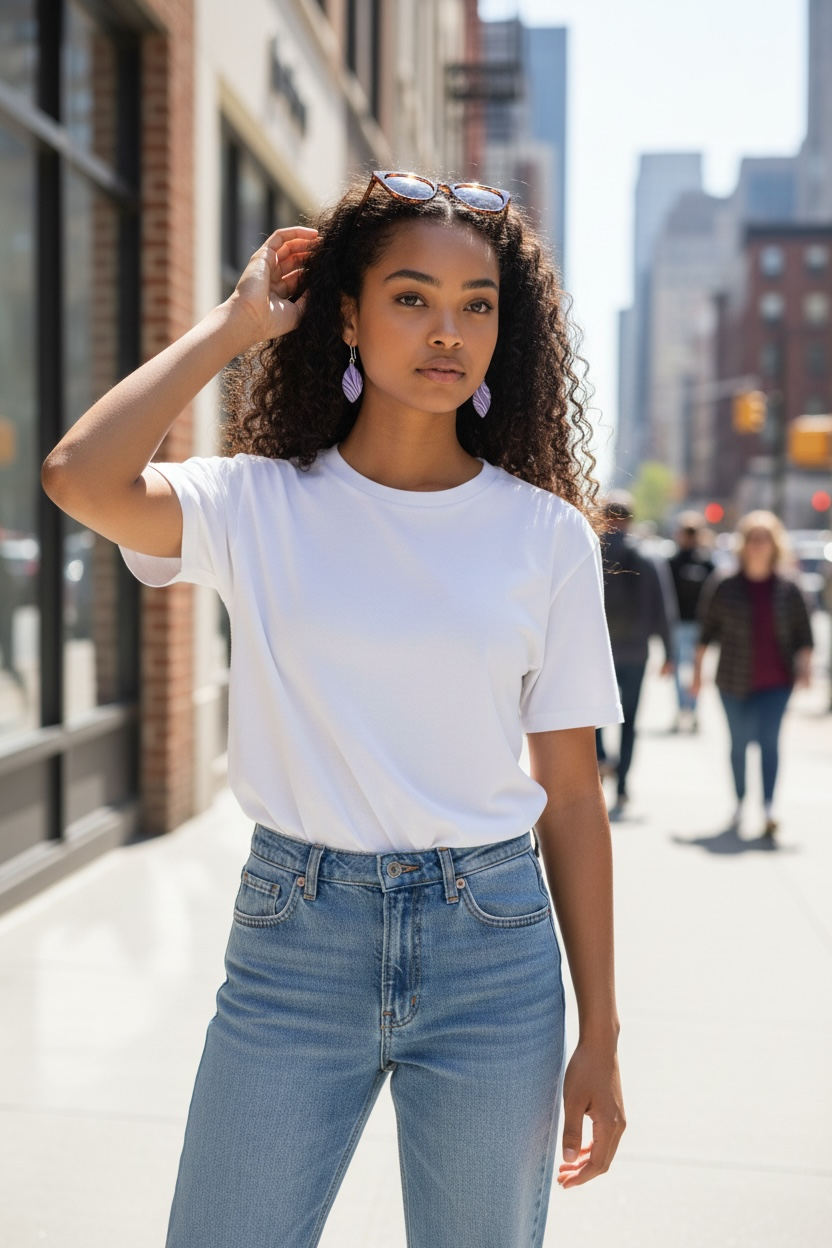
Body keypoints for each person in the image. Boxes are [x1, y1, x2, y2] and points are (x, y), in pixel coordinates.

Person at [41, 172, 626, 1247]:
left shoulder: (547, 539)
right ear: (346, 316)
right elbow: (81, 475)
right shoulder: (256, 503)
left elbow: (574, 801)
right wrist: (233, 324)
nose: (446, 330)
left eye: (476, 303)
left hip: (492, 950)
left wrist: (602, 1036)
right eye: (410, 297)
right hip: (295, 941)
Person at [693, 510, 813, 838]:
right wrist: (696, 673)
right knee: (739, 743)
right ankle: (740, 801)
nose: (759, 545)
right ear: (744, 544)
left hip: (777, 681)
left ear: (775, 544)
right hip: (732, 680)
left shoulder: (789, 586)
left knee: (770, 740)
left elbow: (805, 633)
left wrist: (806, 668)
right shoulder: (725, 585)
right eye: (753, 538)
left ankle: (770, 806)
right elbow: (706, 632)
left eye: (765, 539)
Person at [595, 491, 676, 818]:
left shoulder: (591, 552)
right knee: (630, 722)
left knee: (595, 716)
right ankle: (624, 785)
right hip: (636, 653)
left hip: (598, 652)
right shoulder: (647, 556)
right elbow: (662, 606)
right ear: (629, 519)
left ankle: (602, 758)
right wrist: (670, 652)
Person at [667, 510, 715, 730]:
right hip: (678, 623)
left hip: (698, 625)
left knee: (695, 670)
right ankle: (682, 709)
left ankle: (692, 710)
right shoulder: (673, 561)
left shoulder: (707, 563)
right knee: (677, 670)